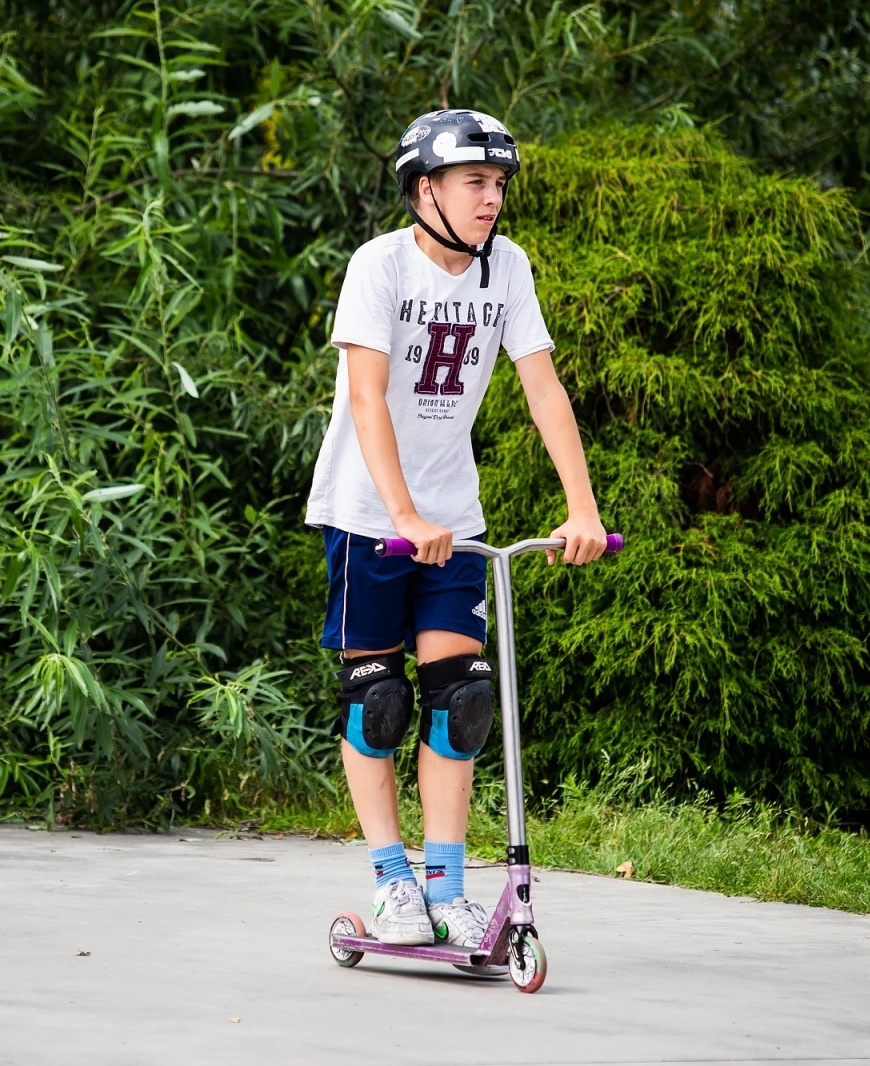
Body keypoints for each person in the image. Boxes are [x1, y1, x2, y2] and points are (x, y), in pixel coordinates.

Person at [305, 109, 607, 948]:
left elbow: (542, 388)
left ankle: (447, 886)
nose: (492, 199)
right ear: (424, 189)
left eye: (499, 184)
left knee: (462, 700)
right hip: (369, 515)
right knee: (378, 702)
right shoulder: (380, 266)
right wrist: (401, 514)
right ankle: (393, 884)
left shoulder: (506, 269)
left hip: (454, 520)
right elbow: (367, 397)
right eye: (475, 181)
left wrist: (582, 506)